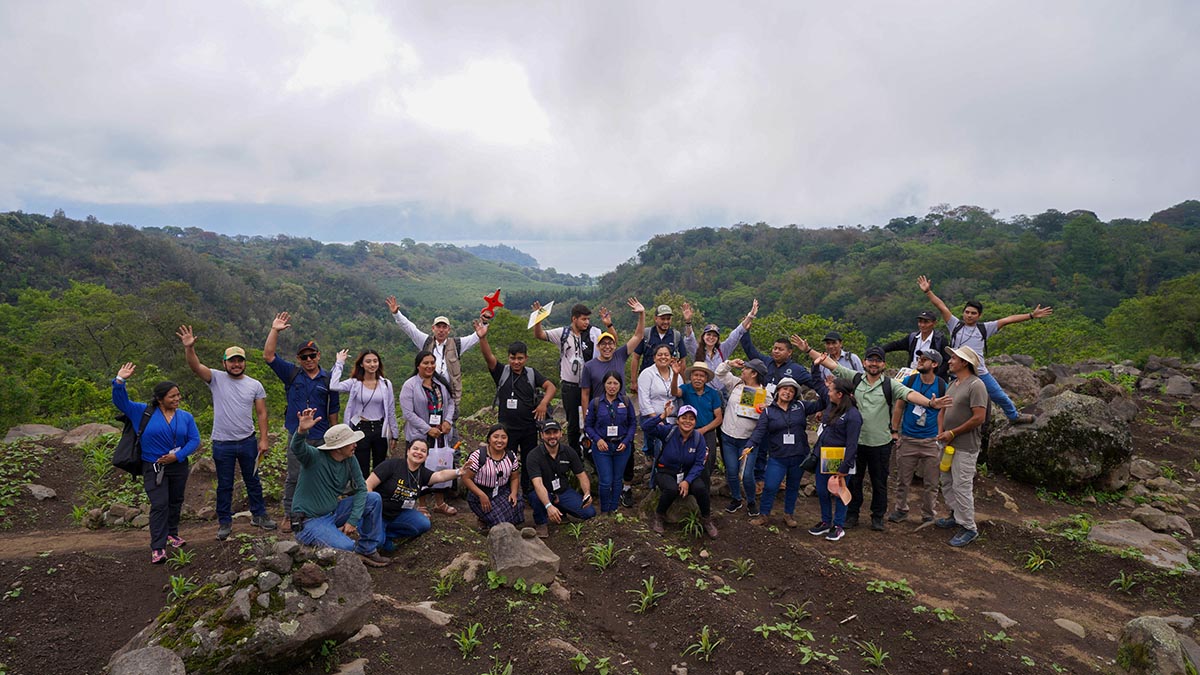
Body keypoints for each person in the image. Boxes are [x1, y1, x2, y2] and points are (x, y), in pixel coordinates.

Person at [799, 339, 951, 531]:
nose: (874, 363)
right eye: (870, 360)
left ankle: (877, 517)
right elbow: (831, 364)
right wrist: (808, 350)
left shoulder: (890, 385)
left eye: (878, 361)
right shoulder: (855, 379)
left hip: (880, 443)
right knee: (854, 481)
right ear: (864, 363)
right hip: (856, 442)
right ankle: (852, 515)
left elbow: (909, 394)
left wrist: (930, 403)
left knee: (879, 482)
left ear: (883, 365)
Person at [177, 326, 276, 541]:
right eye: (232, 361)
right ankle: (224, 521)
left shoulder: (254, 385)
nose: (236, 364)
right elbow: (196, 367)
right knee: (225, 484)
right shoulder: (216, 378)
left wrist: (264, 439)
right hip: (223, 443)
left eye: (240, 360)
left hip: (248, 440)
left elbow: (261, 413)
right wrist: (189, 348)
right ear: (225, 363)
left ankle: (259, 515)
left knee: (253, 480)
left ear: (244, 363)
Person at [918, 275, 1050, 424]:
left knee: (999, 395)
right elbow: (941, 306)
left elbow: (1007, 320)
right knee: (950, 403)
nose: (969, 315)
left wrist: (1031, 315)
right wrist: (928, 292)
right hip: (958, 372)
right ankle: (940, 427)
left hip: (979, 371)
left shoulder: (984, 329)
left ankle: (1014, 416)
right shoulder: (955, 325)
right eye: (967, 312)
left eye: (973, 313)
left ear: (979, 315)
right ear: (963, 313)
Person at [111, 363, 201, 564]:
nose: (177, 399)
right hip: (153, 466)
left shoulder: (185, 417)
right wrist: (120, 381)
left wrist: (177, 457)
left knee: (175, 501)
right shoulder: (142, 412)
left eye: (178, 395)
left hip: (178, 466)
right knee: (159, 504)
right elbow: (120, 401)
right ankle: (158, 547)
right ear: (160, 399)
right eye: (172, 396)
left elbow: (194, 440)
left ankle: (172, 534)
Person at [263, 311, 340, 531]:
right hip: (298, 435)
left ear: (318, 355)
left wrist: (335, 434)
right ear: (299, 359)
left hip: (322, 434)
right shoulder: (292, 374)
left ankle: (322, 511)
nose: (308, 360)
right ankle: (290, 514)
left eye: (312, 355)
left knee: (323, 474)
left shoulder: (328, 378)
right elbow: (269, 356)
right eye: (304, 357)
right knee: (295, 475)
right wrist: (275, 330)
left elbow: (333, 409)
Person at [288, 408, 389, 567]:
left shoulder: (350, 459)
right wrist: (301, 431)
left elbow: (362, 489)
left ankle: (367, 549)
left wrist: (352, 520)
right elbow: (297, 448)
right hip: (310, 521)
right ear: (338, 447)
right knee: (347, 547)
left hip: (333, 513)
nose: (355, 445)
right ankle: (316, 543)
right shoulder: (314, 457)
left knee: (373, 498)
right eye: (351, 443)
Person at [579, 300, 645, 507]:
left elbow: (638, 336)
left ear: (614, 345)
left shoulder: (619, 356)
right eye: (603, 344)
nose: (607, 346)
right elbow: (585, 394)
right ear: (598, 347)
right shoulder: (589, 366)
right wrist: (585, 420)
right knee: (601, 455)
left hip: (621, 413)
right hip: (599, 416)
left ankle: (624, 491)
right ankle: (605, 498)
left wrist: (641, 315)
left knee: (627, 453)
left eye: (610, 343)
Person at [479, 331, 556, 498]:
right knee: (506, 462)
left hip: (528, 427)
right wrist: (482, 337)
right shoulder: (502, 372)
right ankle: (506, 492)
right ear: (508, 358)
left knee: (530, 461)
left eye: (520, 358)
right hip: (506, 430)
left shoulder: (531, 374)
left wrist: (543, 404)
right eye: (513, 358)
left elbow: (551, 387)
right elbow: (488, 357)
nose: (516, 362)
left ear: (526, 358)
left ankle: (529, 493)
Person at [743, 376, 828, 528]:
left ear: (795, 394)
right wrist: (750, 445)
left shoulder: (801, 406)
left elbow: (823, 403)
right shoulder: (768, 411)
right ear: (778, 391)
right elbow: (759, 431)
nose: (787, 393)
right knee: (770, 486)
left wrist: (824, 387)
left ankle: (788, 514)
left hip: (798, 455)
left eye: (791, 391)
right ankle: (764, 515)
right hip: (778, 456)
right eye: (784, 389)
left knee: (793, 487)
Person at [386, 296, 483, 428]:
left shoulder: (457, 344)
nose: (441, 330)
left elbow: (477, 336)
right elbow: (410, 328)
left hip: (449, 397)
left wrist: (485, 321)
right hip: (427, 396)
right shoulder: (426, 342)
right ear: (433, 328)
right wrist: (397, 314)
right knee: (425, 429)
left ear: (449, 330)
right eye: (438, 327)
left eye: (444, 327)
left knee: (449, 431)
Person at [532, 301, 611, 453]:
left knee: (594, 419)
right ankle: (575, 456)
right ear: (574, 319)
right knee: (573, 423)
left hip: (591, 385)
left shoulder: (593, 333)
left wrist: (609, 324)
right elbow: (539, 335)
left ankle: (594, 453)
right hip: (570, 386)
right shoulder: (563, 333)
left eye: (588, 319)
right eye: (583, 319)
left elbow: (611, 341)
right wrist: (538, 319)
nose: (587, 322)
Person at [935, 346, 990, 547]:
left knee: (961, 485)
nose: (949, 361)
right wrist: (942, 432)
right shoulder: (953, 384)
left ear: (964, 363)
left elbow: (979, 417)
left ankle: (969, 527)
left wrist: (953, 433)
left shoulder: (976, 386)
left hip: (965, 446)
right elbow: (943, 410)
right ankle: (955, 514)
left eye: (954, 358)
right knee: (947, 480)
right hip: (947, 443)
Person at [367, 438, 463, 550]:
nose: (418, 453)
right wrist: (369, 511)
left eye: (423, 451)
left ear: (427, 456)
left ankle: (386, 534)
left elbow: (440, 475)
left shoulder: (422, 473)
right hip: (378, 514)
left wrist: (459, 472)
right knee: (377, 543)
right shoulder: (391, 465)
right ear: (408, 451)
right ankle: (373, 531)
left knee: (423, 524)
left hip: (398, 513)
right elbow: (368, 485)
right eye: (415, 449)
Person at [887, 350, 948, 524]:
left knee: (931, 482)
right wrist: (895, 431)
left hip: (930, 440)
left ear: (934, 364)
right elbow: (899, 407)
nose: (919, 361)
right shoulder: (910, 380)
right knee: (903, 480)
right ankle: (901, 509)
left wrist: (939, 436)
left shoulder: (942, 385)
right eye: (919, 358)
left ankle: (928, 513)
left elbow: (943, 412)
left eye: (924, 359)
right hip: (908, 438)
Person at [641, 403, 717, 538]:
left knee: (701, 488)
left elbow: (700, 463)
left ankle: (706, 519)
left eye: (691, 419)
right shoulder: (669, 431)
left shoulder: (699, 439)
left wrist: (687, 481)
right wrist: (663, 416)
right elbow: (646, 427)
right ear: (678, 420)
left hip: (687, 473)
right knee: (670, 489)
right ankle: (659, 516)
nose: (687, 421)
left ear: (695, 422)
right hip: (666, 472)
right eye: (684, 417)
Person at [399, 350, 458, 516]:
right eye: (425, 363)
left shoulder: (440, 383)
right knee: (419, 466)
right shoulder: (410, 385)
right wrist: (427, 429)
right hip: (420, 435)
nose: (429, 366)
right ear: (418, 365)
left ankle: (440, 502)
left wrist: (447, 421)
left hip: (441, 434)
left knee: (441, 464)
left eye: (432, 363)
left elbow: (451, 403)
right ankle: (421, 504)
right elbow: (408, 413)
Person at [331, 349, 399, 480]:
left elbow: (390, 410)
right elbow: (334, 386)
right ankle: (362, 495)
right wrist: (339, 363)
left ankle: (378, 496)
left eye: (375, 361)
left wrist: (394, 434)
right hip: (360, 428)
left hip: (380, 429)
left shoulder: (385, 384)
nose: (372, 364)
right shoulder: (354, 383)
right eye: (368, 361)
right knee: (361, 466)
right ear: (361, 364)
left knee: (380, 466)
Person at [808, 378, 863, 543]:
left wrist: (845, 466)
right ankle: (826, 521)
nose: (828, 393)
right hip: (825, 456)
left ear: (839, 394)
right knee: (823, 490)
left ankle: (838, 525)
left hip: (842, 460)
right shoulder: (832, 407)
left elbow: (852, 443)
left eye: (831, 390)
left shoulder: (853, 416)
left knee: (839, 492)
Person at [713, 358, 771, 514]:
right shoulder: (736, 384)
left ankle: (751, 501)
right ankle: (736, 499)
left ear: (753, 373)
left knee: (746, 475)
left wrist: (766, 408)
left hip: (748, 441)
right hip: (728, 437)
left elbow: (774, 413)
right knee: (731, 471)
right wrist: (730, 363)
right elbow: (719, 373)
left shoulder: (765, 394)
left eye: (746, 369)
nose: (742, 371)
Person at [526, 420, 596, 537]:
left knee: (589, 513)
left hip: (562, 491)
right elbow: (537, 484)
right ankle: (541, 523)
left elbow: (581, 475)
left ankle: (560, 510)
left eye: (555, 432)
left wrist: (587, 493)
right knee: (537, 497)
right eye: (548, 433)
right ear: (542, 435)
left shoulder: (568, 452)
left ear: (561, 434)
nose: (552, 436)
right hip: (542, 491)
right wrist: (548, 505)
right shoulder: (534, 455)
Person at [585, 373, 637, 514]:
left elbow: (633, 423)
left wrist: (627, 441)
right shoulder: (596, 403)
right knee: (606, 481)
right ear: (604, 384)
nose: (612, 386)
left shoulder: (625, 401)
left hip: (622, 446)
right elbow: (588, 426)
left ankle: (613, 511)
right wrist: (598, 440)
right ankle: (604, 511)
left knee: (617, 480)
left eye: (615, 383)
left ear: (620, 385)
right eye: (609, 383)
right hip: (602, 447)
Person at [461, 425, 524, 531]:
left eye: (504, 437)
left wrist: (513, 493)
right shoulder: (478, 456)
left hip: (502, 491)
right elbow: (466, 478)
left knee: (518, 504)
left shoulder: (511, 456)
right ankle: (484, 518)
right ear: (489, 439)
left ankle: (489, 519)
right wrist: (481, 494)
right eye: (496, 437)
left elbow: (514, 478)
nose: (499, 440)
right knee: (501, 522)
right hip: (480, 494)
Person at [671, 361, 724, 475]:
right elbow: (675, 392)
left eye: (701, 376)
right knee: (687, 458)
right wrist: (675, 375)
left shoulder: (713, 393)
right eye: (696, 375)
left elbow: (719, 418)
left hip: (708, 431)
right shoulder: (686, 389)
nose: (698, 378)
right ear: (691, 376)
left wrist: (703, 430)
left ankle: (705, 485)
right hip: (688, 430)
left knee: (709, 459)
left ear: (706, 378)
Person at [690, 300, 756, 391]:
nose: (711, 338)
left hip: (722, 392)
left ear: (717, 338)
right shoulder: (696, 350)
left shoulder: (722, 350)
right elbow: (689, 339)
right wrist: (688, 322)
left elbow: (736, 334)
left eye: (714, 336)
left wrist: (750, 316)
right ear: (703, 336)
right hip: (703, 391)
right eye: (708, 335)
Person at [637, 344, 682, 464]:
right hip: (654, 418)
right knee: (659, 448)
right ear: (654, 358)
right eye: (660, 355)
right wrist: (657, 419)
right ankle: (654, 467)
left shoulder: (675, 374)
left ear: (671, 357)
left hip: (673, 418)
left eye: (666, 355)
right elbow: (644, 399)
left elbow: (680, 395)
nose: (663, 357)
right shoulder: (647, 374)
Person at [630, 302, 697, 379]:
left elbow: (682, 361)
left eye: (668, 319)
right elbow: (635, 357)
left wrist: (682, 383)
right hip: (647, 379)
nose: (666, 322)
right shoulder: (646, 334)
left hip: (669, 381)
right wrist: (634, 381)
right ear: (655, 319)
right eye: (662, 319)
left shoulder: (676, 336)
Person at [881, 310, 949, 378]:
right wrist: (879, 350)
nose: (922, 325)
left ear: (934, 323)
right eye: (920, 322)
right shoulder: (913, 338)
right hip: (913, 376)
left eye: (926, 322)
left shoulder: (940, 340)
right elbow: (896, 345)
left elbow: (946, 361)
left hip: (931, 379)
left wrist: (935, 375)